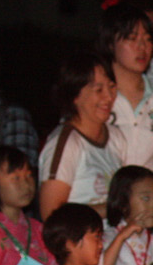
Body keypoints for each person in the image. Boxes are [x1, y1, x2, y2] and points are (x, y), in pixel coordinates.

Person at [101, 2, 153, 187]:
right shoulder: (96, 97)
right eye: (132, 38)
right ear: (110, 43)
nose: (142, 46)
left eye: (147, 38)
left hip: (145, 208)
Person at [38, 54, 126, 217]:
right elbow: (50, 214)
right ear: (75, 96)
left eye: (112, 87)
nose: (108, 97)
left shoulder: (116, 137)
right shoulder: (67, 143)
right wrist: (110, 209)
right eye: (98, 90)